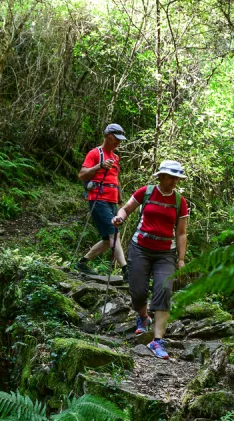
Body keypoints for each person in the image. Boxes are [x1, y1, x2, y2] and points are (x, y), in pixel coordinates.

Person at [112, 160, 189, 359]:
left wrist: (181, 258)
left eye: (177, 178)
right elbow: (125, 209)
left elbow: (181, 233)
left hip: (166, 253)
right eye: (171, 177)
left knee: (163, 290)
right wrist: (119, 217)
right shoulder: (146, 192)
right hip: (140, 248)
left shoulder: (180, 201)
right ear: (161, 176)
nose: (174, 181)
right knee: (138, 290)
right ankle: (143, 317)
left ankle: (157, 341)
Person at [75, 123, 129, 282]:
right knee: (114, 234)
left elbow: (115, 178)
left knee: (108, 240)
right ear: (109, 136)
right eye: (116, 139)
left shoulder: (115, 157)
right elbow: (82, 174)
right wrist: (100, 166)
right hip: (98, 199)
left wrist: (119, 198)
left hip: (112, 200)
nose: (118, 142)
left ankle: (82, 263)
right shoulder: (95, 153)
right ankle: (126, 270)